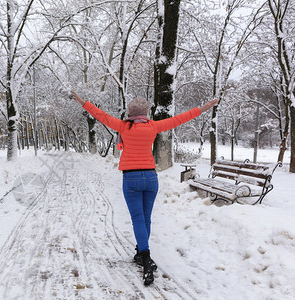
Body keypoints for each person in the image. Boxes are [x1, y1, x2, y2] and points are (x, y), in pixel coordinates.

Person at [71, 91, 219, 286]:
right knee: (146, 218)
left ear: (130, 112)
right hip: (150, 177)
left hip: (131, 178)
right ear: (146, 112)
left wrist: (81, 101)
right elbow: (182, 118)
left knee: (138, 219)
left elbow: (100, 115)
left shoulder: (123, 126)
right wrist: (207, 106)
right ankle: (141, 253)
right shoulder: (154, 126)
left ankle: (145, 256)